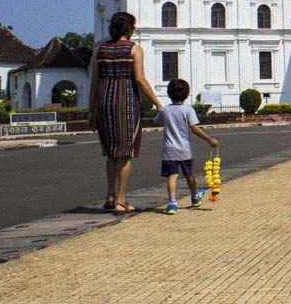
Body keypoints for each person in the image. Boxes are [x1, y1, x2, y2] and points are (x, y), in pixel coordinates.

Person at [88, 11, 164, 215]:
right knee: (125, 154)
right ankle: (122, 201)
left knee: (111, 153)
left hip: (104, 101)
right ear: (129, 29)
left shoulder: (101, 50)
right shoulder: (134, 49)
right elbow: (139, 79)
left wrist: (91, 110)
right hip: (126, 102)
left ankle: (110, 196)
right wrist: (157, 102)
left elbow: (94, 83)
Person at [155, 78, 219, 215]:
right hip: (184, 149)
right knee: (189, 174)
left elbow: (157, 121)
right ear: (186, 94)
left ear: (168, 93)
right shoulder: (188, 110)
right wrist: (209, 139)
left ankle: (172, 202)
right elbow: (194, 128)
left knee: (172, 176)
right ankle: (195, 196)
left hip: (169, 149)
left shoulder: (165, 111)